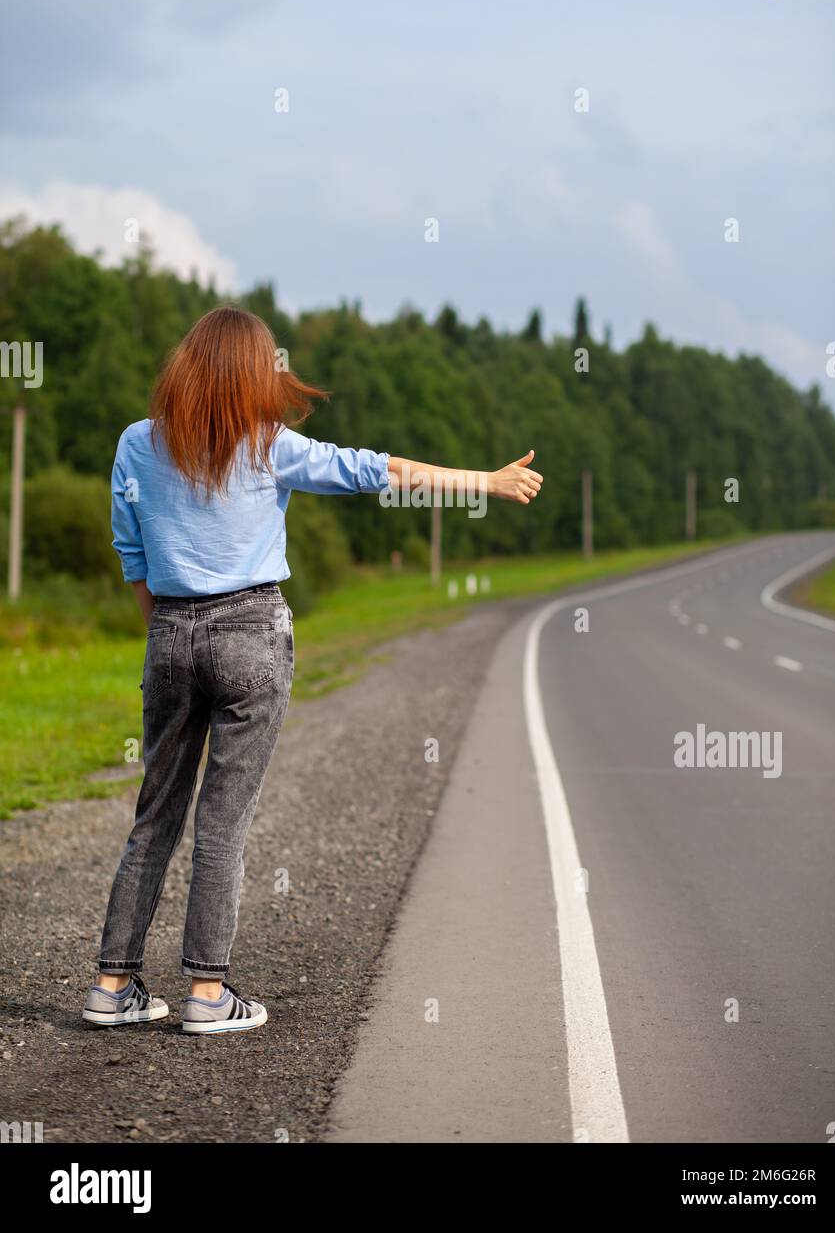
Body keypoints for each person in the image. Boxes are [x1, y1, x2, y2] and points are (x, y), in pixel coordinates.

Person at [83, 305, 543, 1035]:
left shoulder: (137, 445)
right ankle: (207, 995)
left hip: (168, 633)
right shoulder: (271, 446)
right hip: (251, 635)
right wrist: (482, 483)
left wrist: (170, 638)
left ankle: (113, 984)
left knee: (156, 812)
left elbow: (131, 553)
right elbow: (377, 473)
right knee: (223, 820)